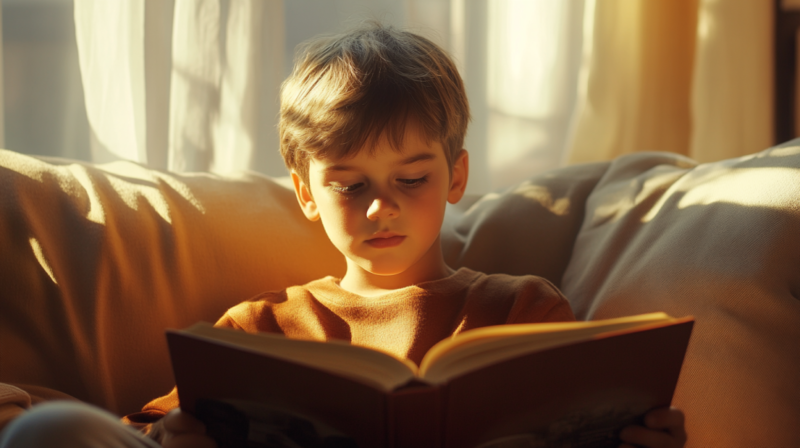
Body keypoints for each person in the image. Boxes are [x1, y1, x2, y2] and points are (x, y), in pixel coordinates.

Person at [0, 22, 687, 448]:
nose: (379, 208)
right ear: (304, 191)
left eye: (410, 180)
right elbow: (144, 428)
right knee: (51, 430)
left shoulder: (525, 310)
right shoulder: (259, 327)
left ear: (456, 177)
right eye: (349, 185)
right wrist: (174, 437)